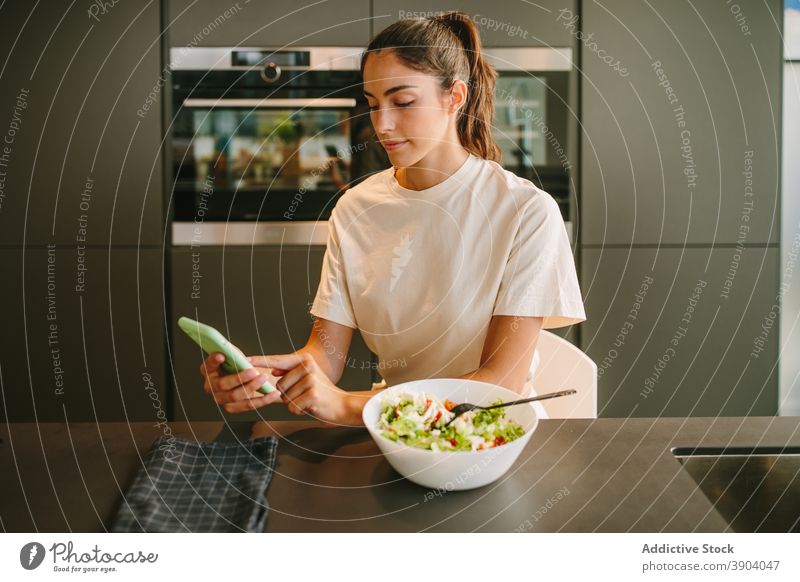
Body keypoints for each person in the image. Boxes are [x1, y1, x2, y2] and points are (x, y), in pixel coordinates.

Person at [199, 12, 586, 427]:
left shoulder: (526, 211)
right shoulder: (355, 209)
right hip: (391, 429)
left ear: (454, 97)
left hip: (492, 436)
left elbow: (499, 384)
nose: (381, 124)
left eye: (403, 102)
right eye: (372, 103)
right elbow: (324, 355)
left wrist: (350, 406)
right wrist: (268, 376)